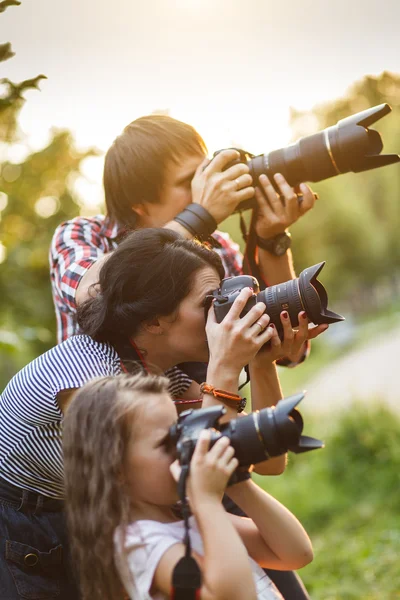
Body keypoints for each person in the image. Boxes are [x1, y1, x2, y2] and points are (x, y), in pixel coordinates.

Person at [0, 229, 325, 599]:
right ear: (153, 320)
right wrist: (223, 367)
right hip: (26, 520)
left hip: (100, 505)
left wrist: (262, 364)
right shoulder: (90, 379)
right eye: (210, 303)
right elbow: (177, 456)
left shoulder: (159, 370)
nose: (223, 315)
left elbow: (257, 462)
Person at [50, 115, 318, 366]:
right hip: (113, 412)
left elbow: (289, 351)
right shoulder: (81, 235)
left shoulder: (218, 247)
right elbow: (91, 292)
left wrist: (271, 240)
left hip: (217, 413)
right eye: (189, 181)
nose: (208, 185)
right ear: (139, 204)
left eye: (205, 172)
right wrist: (199, 216)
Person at [63, 373, 314, 600]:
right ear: (116, 468)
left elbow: (295, 553)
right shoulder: (139, 544)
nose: (183, 447)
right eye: (166, 442)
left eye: (180, 431)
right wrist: (206, 501)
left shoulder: (187, 515)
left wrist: (236, 482)